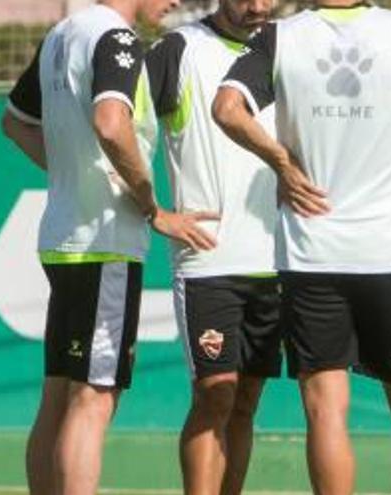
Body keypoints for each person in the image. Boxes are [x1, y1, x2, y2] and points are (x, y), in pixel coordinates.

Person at [212, 1, 391, 493]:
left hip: (311, 253)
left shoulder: (279, 36)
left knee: (324, 410)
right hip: (390, 252)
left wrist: (281, 160)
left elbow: (226, 109)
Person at [0, 1, 216, 494]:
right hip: (104, 242)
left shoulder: (62, 34)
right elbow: (111, 122)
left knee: (58, 396)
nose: (178, 3)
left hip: (64, 238)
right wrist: (151, 207)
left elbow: (14, 123)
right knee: (94, 398)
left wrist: (74, 178)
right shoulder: (116, 38)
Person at [144, 0, 279, 493]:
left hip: (279, 259)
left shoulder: (289, 46)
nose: (259, 7)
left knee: (246, 401)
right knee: (215, 395)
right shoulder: (179, 49)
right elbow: (117, 127)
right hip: (209, 261)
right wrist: (154, 210)